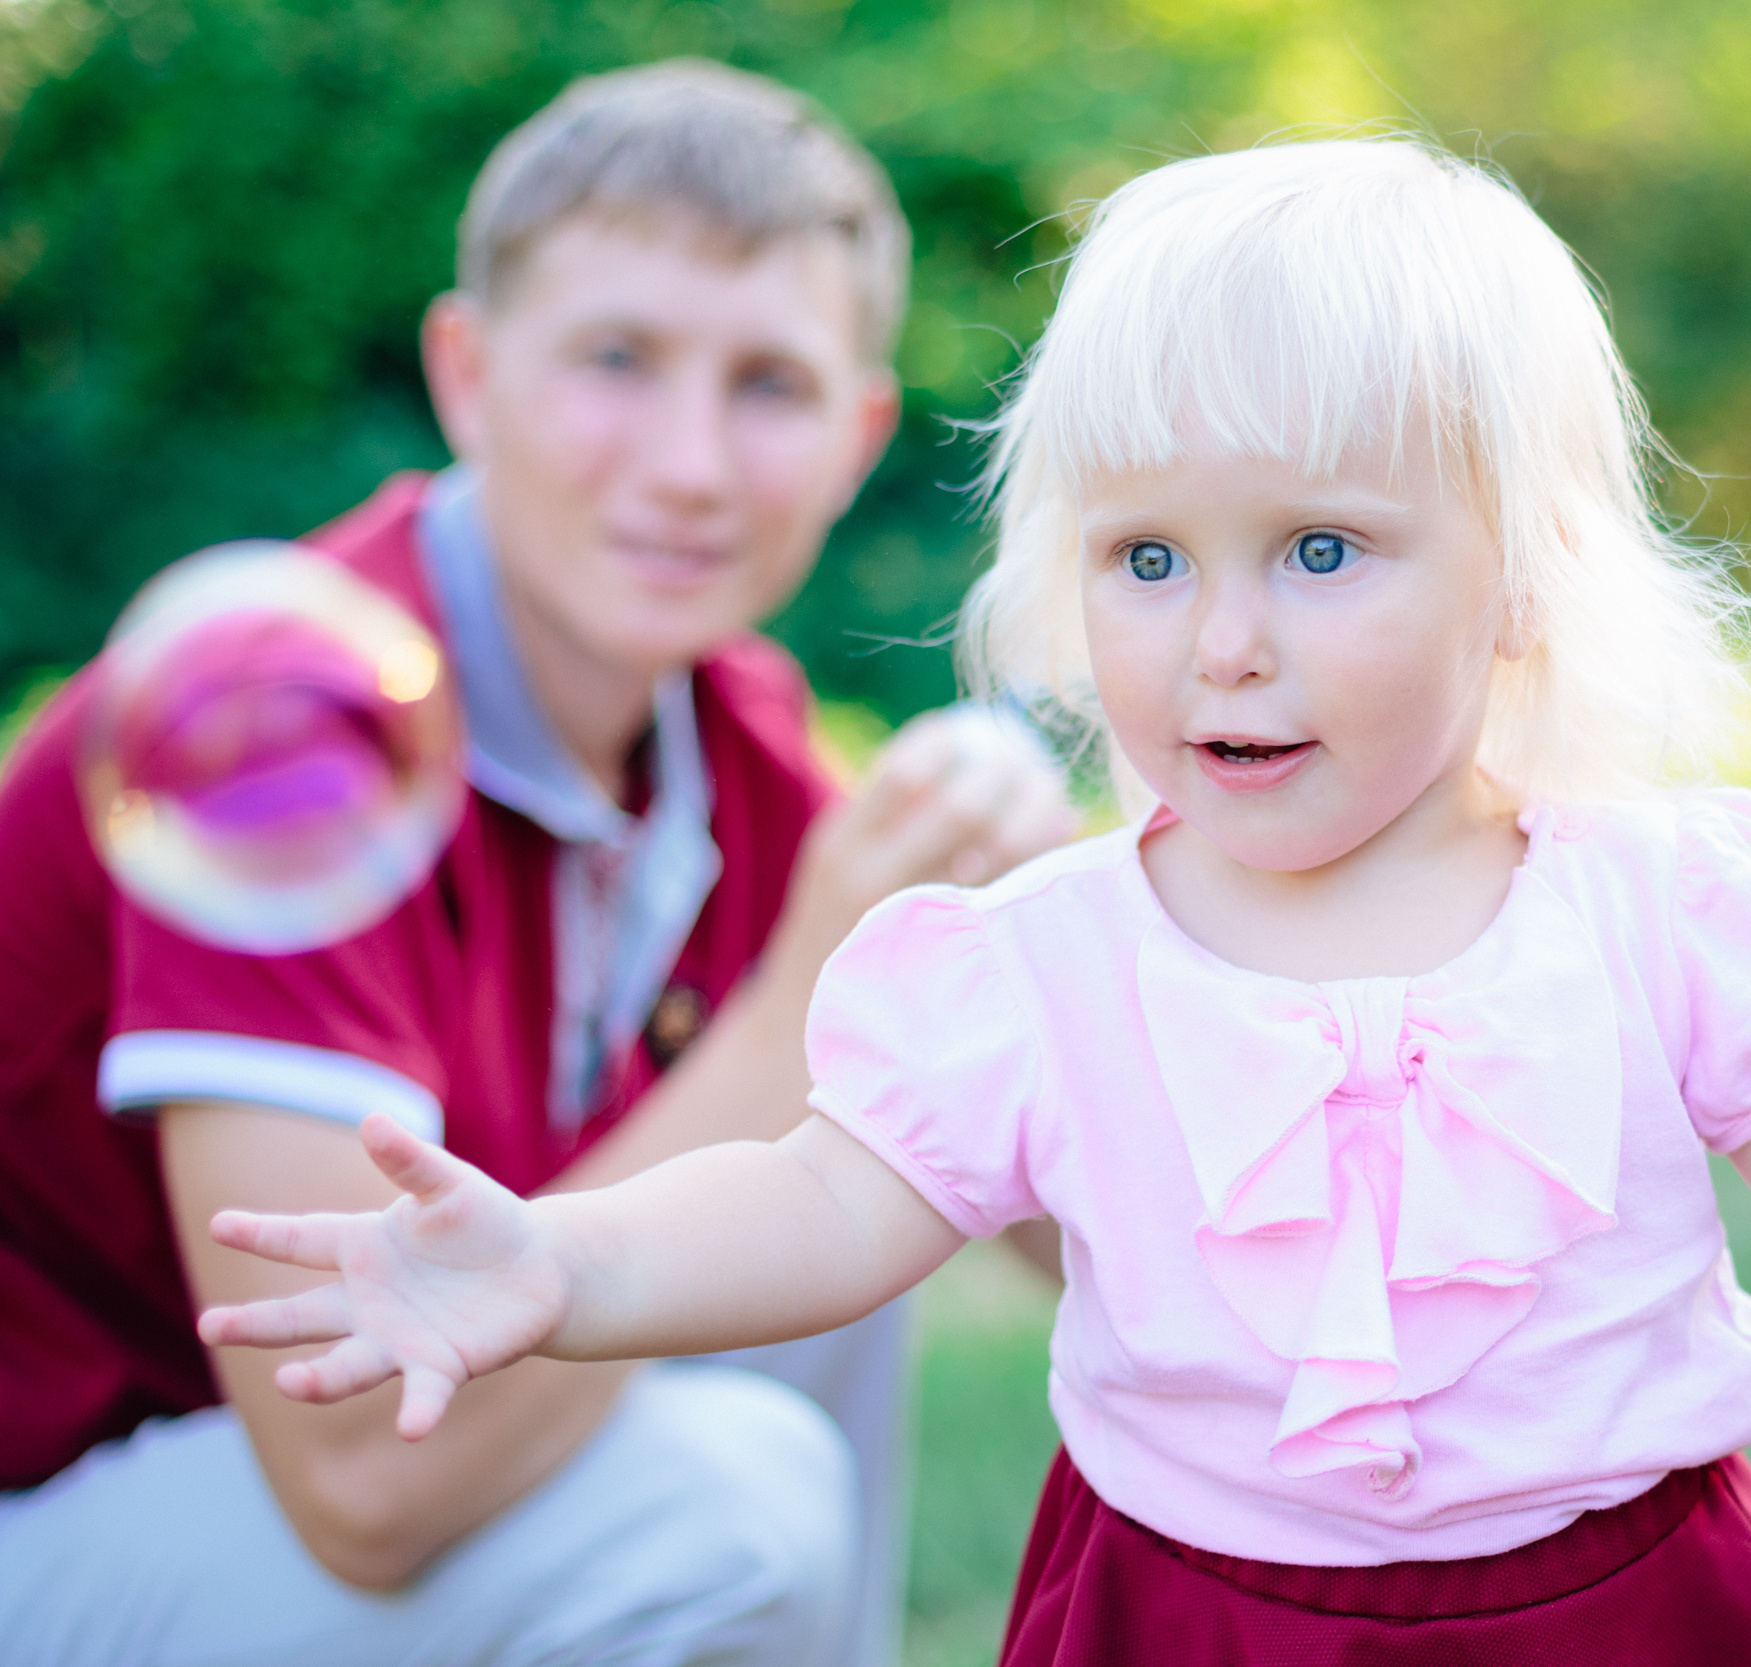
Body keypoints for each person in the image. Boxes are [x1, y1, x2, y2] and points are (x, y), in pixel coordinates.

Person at [195, 138, 1751, 1665]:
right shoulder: (1038, 964)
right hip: (1193, 1611)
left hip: (1626, 1599)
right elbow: (821, 1202)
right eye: (1146, 558)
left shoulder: (1647, 903)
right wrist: (564, 1267)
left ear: (1520, 574)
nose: (1217, 644)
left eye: (1318, 551)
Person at [0, 60, 1070, 1667]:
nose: (691, 464)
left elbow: (1095, 1234)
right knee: (725, 1501)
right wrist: (804, 998)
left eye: (768, 384)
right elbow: (358, 1483)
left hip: (285, 1525)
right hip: (64, 1509)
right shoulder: (275, 722)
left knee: (863, 1200)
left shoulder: (739, 740)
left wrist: (1070, 960)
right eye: (617, 360)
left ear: (856, 437)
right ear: (467, 374)